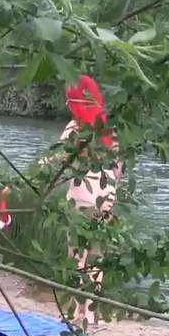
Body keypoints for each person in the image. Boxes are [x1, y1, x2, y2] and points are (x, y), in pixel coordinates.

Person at [58, 75, 123, 323]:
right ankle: (92, 314)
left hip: (81, 198)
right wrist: (112, 195)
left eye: (69, 101)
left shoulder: (74, 128)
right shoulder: (109, 130)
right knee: (97, 258)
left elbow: (62, 161)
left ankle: (78, 312)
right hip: (105, 200)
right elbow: (118, 170)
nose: (67, 106)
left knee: (77, 257)